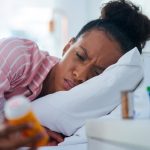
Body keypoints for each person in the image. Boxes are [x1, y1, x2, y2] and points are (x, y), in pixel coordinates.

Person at [0, 0, 150, 149]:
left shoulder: (86, 113)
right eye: (80, 56)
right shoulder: (19, 56)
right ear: (67, 46)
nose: (81, 75)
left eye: (98, 73)